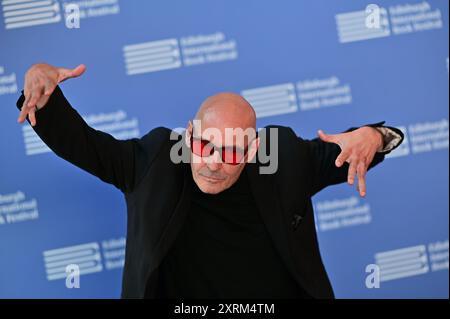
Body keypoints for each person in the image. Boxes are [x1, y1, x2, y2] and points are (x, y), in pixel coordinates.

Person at [16, 63, 404, 298]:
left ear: (253, 149)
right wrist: (42, 90)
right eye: (204, 145)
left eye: (233, 151)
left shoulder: (283, 157)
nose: (215, 163)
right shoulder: (154, 161)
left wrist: (374, 135)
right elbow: (83, 145)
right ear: (188, 136)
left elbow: (368, 146)